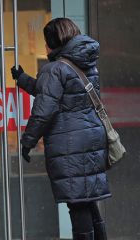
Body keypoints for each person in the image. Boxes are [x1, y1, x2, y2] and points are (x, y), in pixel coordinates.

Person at [11, 18, 111, 240]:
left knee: (77, 204)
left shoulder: (54, 69)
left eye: (46, 41)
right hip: (91, 138)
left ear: (54, 42)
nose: (44, 46)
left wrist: (28, 141)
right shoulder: (85, 65)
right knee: (87, 200)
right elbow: (51, 91)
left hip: (70, 143)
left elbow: (44, 110)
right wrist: (23, 79)